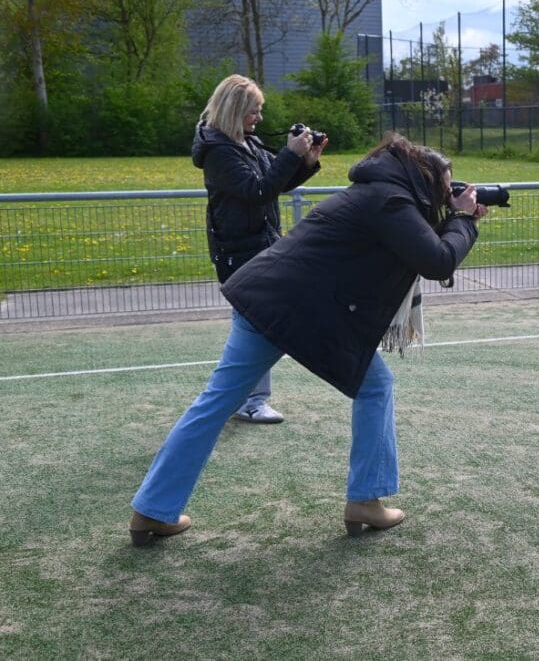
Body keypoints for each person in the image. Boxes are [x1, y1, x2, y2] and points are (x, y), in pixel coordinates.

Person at [128, 132, 487, 545]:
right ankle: (366, 499)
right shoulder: (390, 201)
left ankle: (151, 510)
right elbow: (437, 261)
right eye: (444, 187)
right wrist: (463, 220)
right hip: (301, 311)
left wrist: (455, 218)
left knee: (214, 403)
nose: (446, 195)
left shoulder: (379, 191)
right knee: (376, 388)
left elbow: (416, 242)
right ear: (423, 180)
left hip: (266, 298)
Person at [193, 73, 325, 425]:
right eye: (254, 111)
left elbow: (275, 184)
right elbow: (257, 191)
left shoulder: (245, 142)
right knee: (255, 325)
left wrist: (306, 160)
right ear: (234, 110)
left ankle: (241, 398)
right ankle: (247, 400)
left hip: (260, 245)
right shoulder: (219, 152)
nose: (259, 118)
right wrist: (290, 153)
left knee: (256, 325)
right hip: (238, 251)